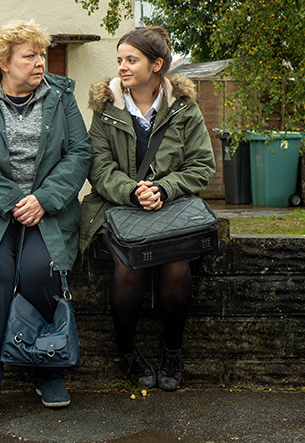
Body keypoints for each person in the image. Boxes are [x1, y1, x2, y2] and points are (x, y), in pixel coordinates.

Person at [0, 20, 91, 423]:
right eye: (29, 55)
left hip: (47, 209)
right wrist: (12, 201)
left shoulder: (61, 96)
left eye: (42, 54)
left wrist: (43, 199)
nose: (39, 62)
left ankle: (47, 370)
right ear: (4, 63)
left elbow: (79, 152)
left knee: (39, 271)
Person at [78, 26, 215, 392]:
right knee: (128, 262)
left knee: (176, 262)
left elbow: (202, 166)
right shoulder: (105, 110)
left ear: (156, 65)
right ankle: (127, 350)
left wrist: (164, 189)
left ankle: (172, 349)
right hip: (119, 207)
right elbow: (99, 168)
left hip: (169, 207)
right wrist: (132, 191)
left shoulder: (185, 109)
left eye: (131, 60)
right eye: (120, 59)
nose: (122, 67)